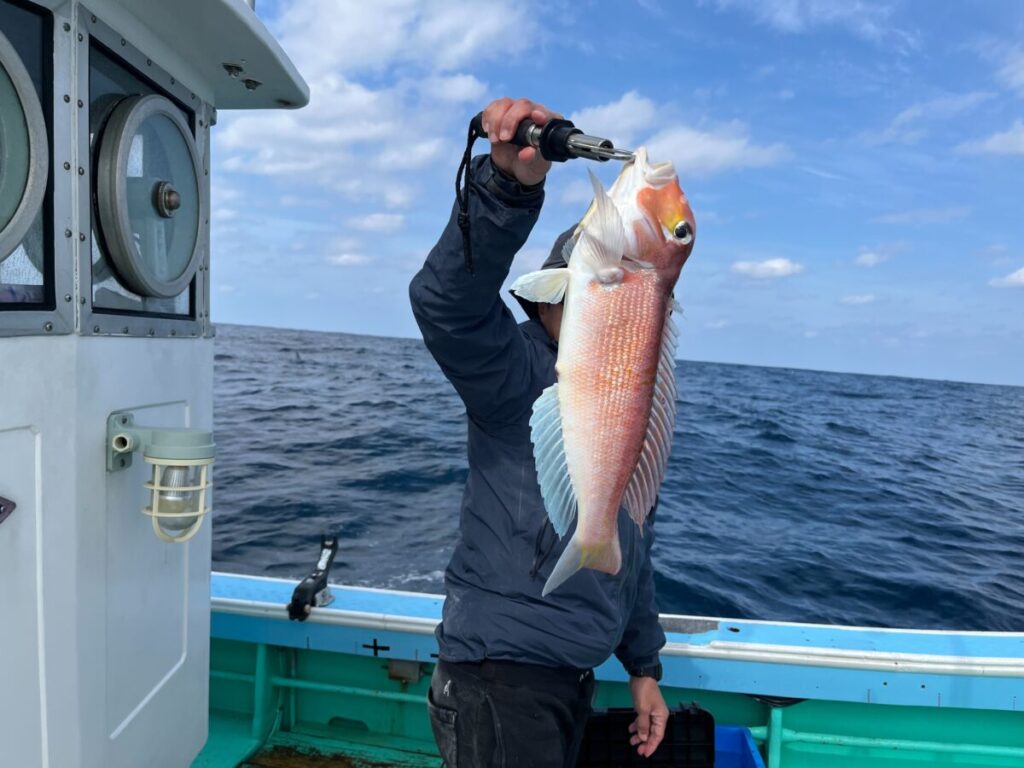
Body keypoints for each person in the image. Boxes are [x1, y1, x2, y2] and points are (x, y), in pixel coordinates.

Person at [409, 97, 668, 768]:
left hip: (571, 680)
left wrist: (643, 666)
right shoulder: (511, 369)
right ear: (558, 288)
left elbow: (626, 543)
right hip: (499, 676)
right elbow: (448, 304)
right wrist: (505, 188)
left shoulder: (628, 404)